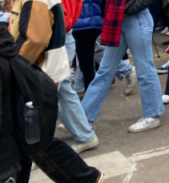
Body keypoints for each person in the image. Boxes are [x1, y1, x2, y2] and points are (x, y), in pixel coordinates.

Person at [81, 0, 163, 132]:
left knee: (145, 69)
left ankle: (152, 115)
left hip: (136, 21)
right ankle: (83, 118)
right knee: (105, 70)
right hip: (121, 21)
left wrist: (127, 8)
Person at [0, 24, 103, 183]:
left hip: (41, 64)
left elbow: (38, 36)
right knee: (33, 135)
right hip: (26, 68)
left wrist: (22, 65)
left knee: (38, 133)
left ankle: (85, 140)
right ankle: (86, 172)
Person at [45, 0, 100, 154]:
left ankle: (82, 131)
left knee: (60, 87)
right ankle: (80, 128)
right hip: (61, 38)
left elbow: (66, 22)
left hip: (61, 38)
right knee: (63, 88)